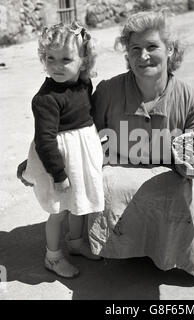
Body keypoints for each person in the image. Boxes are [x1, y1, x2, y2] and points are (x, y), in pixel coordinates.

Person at [88, 10, 194, 279]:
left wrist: (190, 167)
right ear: (127, 55)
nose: (143, 56)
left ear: (170, 50)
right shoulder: (107, 91)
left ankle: (167, 252)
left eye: (152, 46)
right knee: (108, 183)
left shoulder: (192, 98)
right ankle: (116, 247)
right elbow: (81, 135)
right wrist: (41, 158)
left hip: (169, 171)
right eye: (135, 49)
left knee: (177, 189)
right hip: (119, 166)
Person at [19, 21, 104, 278]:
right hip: (59, 162)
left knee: (79, 204)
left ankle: (76, 242)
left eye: (66, 59)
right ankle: (53, 257)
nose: (56, 65)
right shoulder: (46, 99)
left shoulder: (82, 84)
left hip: (79, 157)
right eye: (50, 58)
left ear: (83, 61)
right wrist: (59, 175)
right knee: (59, 211)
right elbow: (45, 142)